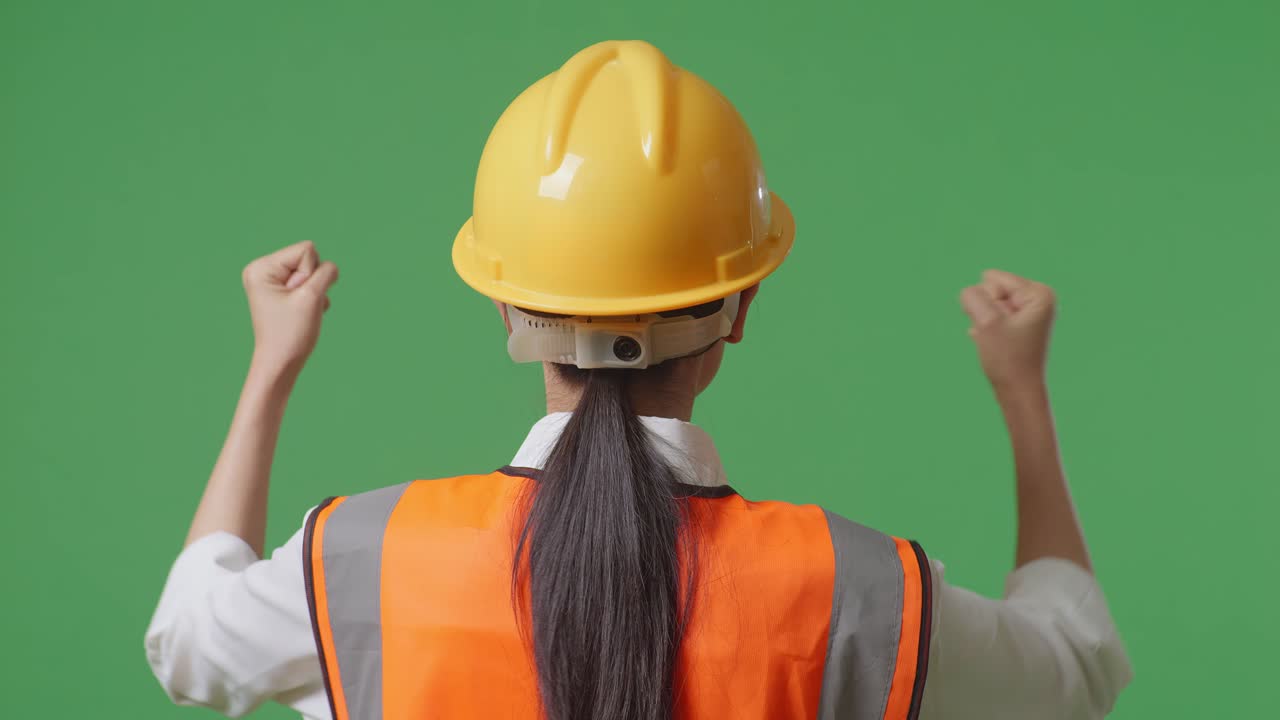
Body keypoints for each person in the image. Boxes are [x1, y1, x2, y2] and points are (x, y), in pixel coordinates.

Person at [145, 40, 1132, 719]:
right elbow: (1074, 673)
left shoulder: (359, 556)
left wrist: (269, 371)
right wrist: (1021, 396)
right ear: (737, 309)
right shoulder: (854, 586)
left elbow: (187, 642)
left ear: (506, 308)